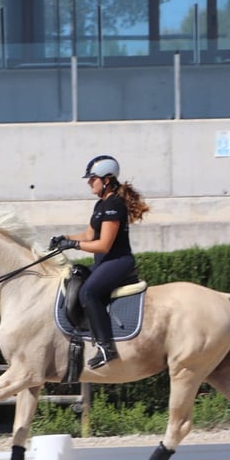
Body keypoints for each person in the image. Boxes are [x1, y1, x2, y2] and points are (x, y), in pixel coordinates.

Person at [50, 155, 150, 369]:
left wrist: (73, 246)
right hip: (105, 262)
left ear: (107, 179)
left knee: (89, 292)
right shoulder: (101, 204)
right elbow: (88, 235)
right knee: (76, 277)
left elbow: (103, 244)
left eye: (92, 178)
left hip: (118, 262)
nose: (89, 182)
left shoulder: (114, 205)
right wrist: (65, 238)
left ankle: (106, 347)